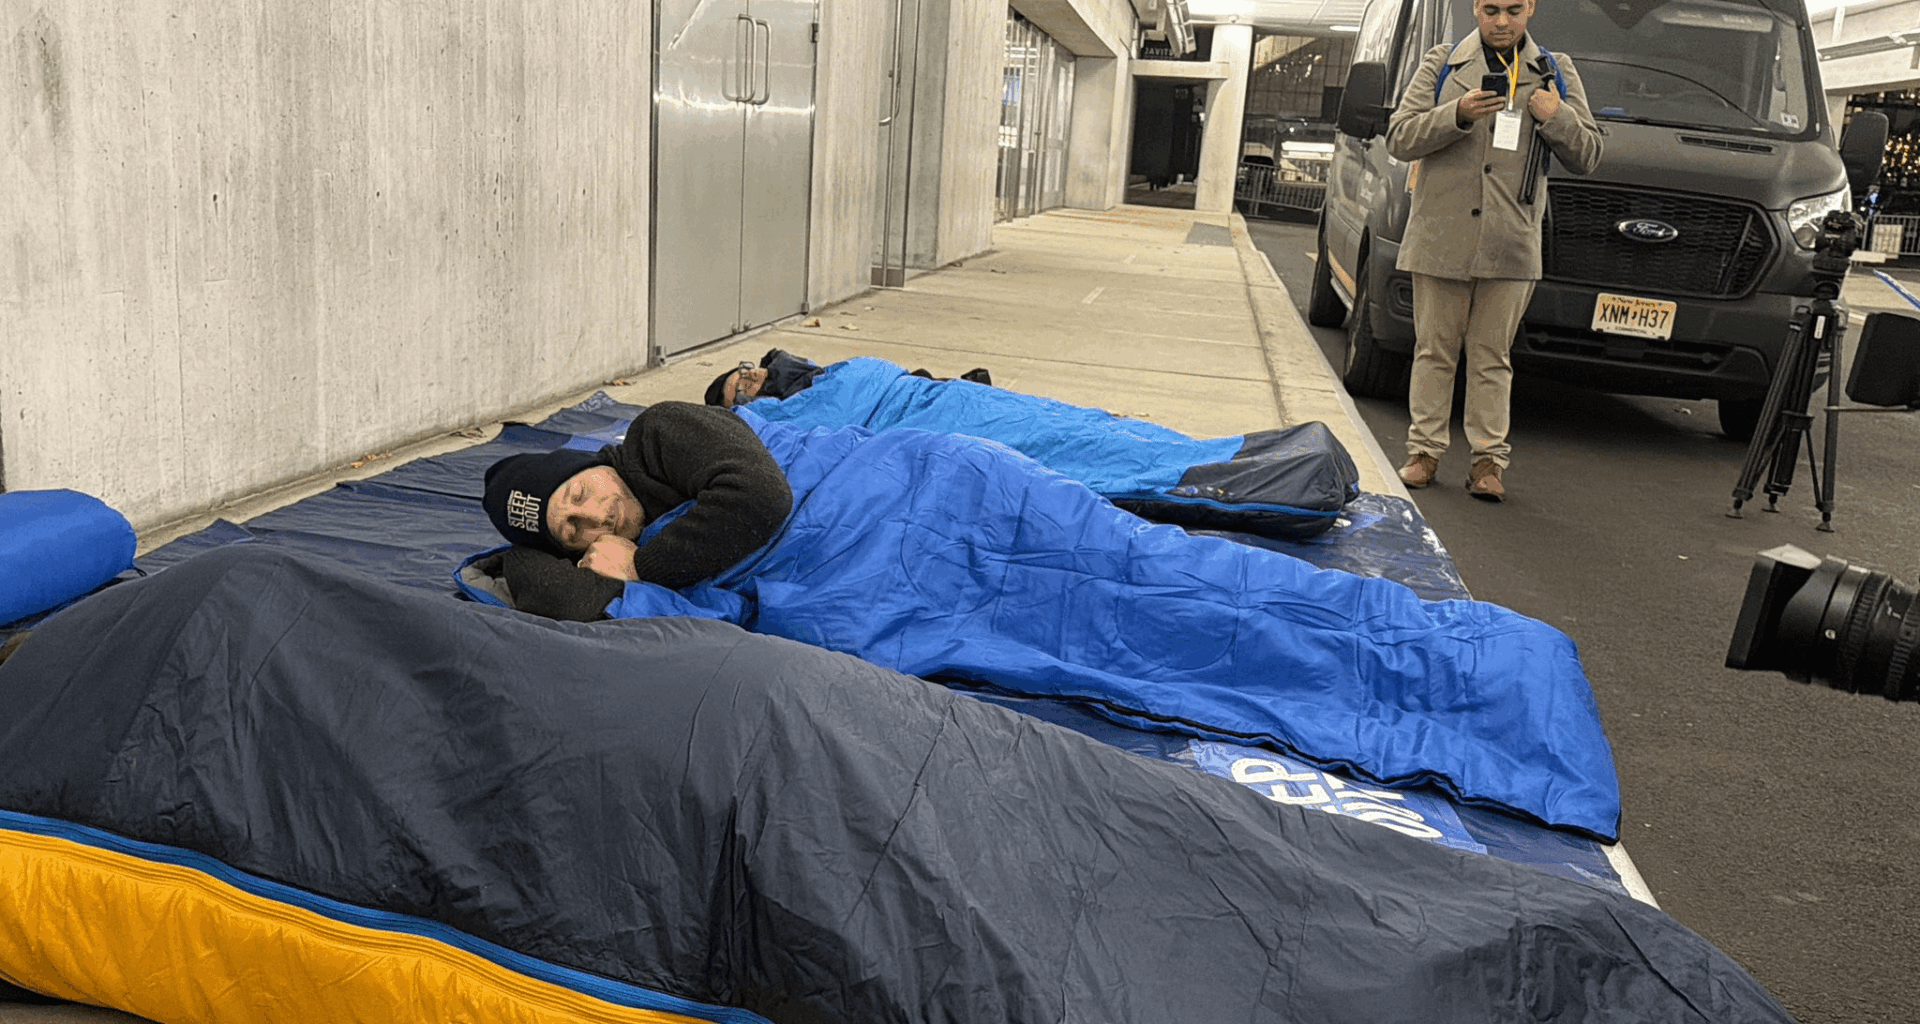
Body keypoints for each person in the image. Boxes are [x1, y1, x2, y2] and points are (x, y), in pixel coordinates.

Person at [1385, 0, 1602, 501]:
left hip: (1511, 241)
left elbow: (1588, 154)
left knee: (1492, 356)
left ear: (1531, 8)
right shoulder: (1442, 64)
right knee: (1434, 351)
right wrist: (1455, 114)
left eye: (1513, 9)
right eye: (1490, 9)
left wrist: (1557, 117)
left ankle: (1488, 461)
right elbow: (1399, 137)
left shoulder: (1555, 71)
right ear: (1475, 9)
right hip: (1441, 236)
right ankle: (1424, 453)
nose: (1502, 21)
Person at [481, 400, 792, 621]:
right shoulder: (611, 554)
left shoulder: (655, 433)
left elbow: (762, 495)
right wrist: (520, 556)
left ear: (587, 465)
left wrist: (642, 567)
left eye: (579, 493)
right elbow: (566, 601)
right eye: (572, 530)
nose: (596, 517)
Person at [704, 348, 990, 408]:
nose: (751, 374)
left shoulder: (805, 371)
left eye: (743, 370)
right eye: (743, 386)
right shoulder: (791, 405)